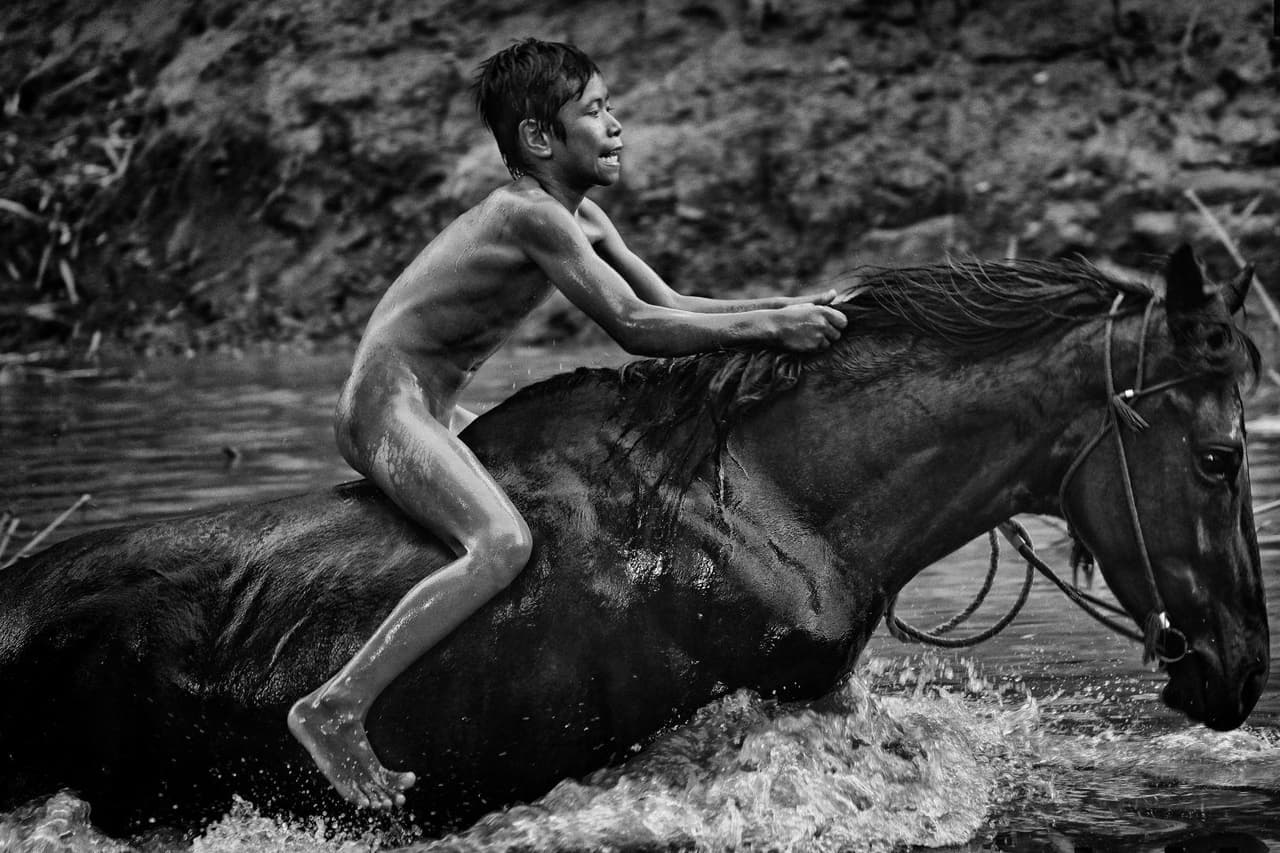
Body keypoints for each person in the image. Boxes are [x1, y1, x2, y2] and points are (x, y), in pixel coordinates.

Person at [287, 37, 848, 810]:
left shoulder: (584, 217)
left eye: (610, 107)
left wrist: (784, 309)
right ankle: (334, 705)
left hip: (436, 403)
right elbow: (632, 326)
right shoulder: (529, 215)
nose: (616, 125)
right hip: (388, 406)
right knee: (502, 542)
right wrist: (769, 329)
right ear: (539, 139)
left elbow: (673, 306)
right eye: (596, 111)